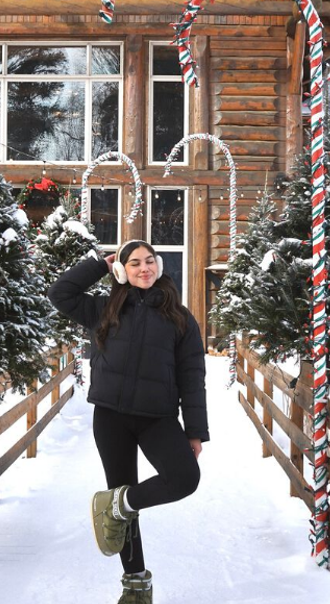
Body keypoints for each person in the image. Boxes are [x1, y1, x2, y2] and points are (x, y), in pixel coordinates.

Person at [47, 240, 208, 604]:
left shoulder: (180, 318)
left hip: (157, 418)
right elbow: (59, 292)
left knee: (183, 479)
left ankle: (118, 503)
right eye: (133, 263)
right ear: (122, 271)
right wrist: (100, 265)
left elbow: (192, 376)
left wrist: (195, 431)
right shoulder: (103, 309)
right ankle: (135, 584)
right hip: (111, 417)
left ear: (160, 266)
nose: (144, 268)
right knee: (123, 499)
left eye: (149, 261)